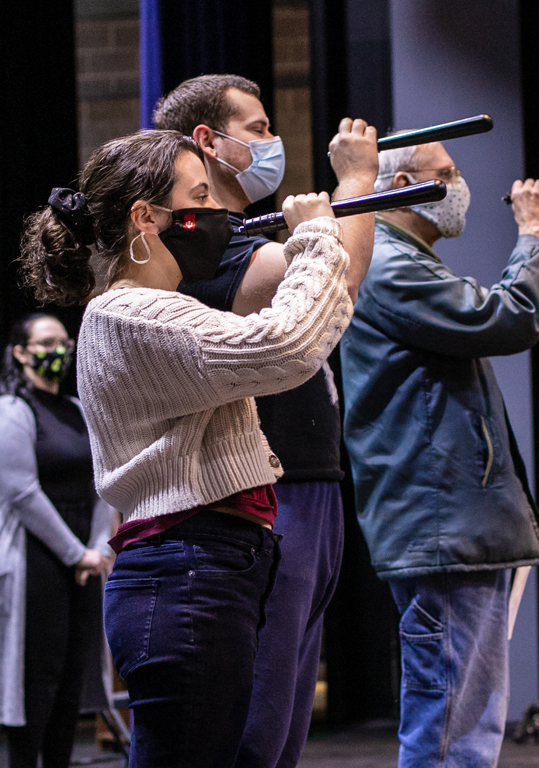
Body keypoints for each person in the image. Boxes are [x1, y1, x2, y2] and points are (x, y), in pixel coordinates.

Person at [19, 128, 358, 767]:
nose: (220, 215)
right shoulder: (132, 315)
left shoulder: (159, 307)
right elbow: (285, 347)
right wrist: (316, 236)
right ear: (145, 218)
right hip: (187, 570)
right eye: (200, 197)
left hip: (207, 564)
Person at [152, 74, 378, 768]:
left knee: (284, 723)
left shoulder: (247, 234)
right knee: (259, 720)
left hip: (313, 485)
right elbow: (340, 284)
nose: (272, 142)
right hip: (268, 493)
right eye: (257, 128)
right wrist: (359, 184)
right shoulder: (205, 245)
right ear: (207, 142)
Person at [339, 141, 539, 768]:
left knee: (468, 723)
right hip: (441, 524)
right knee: (449, 729)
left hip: (454, 523)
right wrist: (532, 235)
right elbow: (508, 318)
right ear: (406, 183)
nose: (461, 185)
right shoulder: (388, 260)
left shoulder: (407, 259)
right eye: (450, 174)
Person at [0, 313, 113, 768]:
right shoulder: (12, 411)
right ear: (21, 353)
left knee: (71, 675)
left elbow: (104, 479)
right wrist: (76, 553)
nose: (59, 350)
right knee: (36, 677)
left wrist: (101, 547)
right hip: (38, 556)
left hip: (85, 556)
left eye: (64, 341)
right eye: (47, 343)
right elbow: (22, 492)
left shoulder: (80, 409)